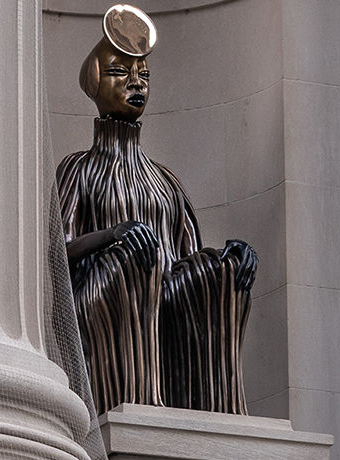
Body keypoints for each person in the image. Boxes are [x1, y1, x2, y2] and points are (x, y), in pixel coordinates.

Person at [57, 5, 257, 415]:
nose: (136, 83)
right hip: (103, 298)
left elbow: (188, 256)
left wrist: (226, 261)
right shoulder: (78, 168)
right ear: (96, 81)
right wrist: (114, 236)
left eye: (143, 75)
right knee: (133, 257)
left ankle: (220, 415)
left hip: (163, 300)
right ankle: (141, 405)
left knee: (220, 270)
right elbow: (61, 250)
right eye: (120, 73)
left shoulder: (165, 179)